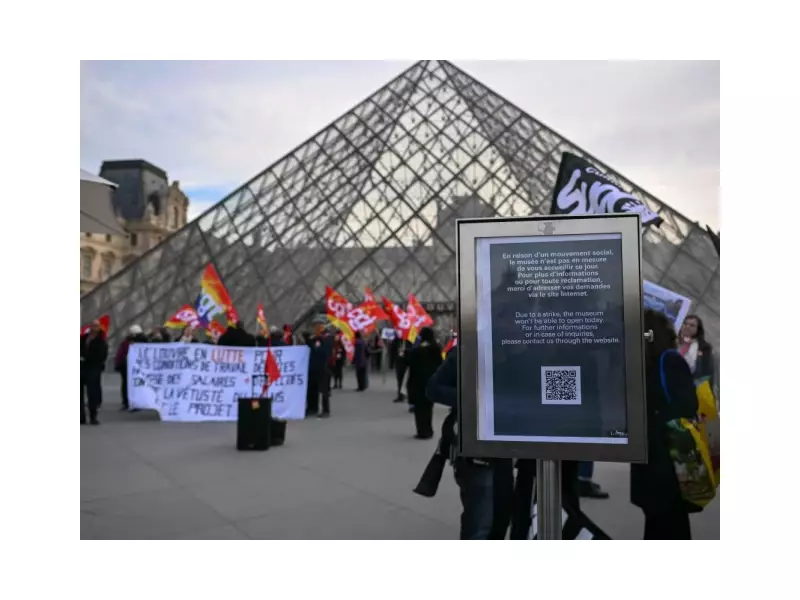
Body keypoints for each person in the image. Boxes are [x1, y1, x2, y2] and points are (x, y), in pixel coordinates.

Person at [426, 347, 514, 539]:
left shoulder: (520, 349)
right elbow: (433, 388)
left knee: (501, 517)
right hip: (477, 450)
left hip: (507, 448)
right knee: (480, 523)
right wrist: (472, 397)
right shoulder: (468, 349)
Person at [631, 309, 699, 540]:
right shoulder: (647, 362)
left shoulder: (666, 361)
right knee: (662, 520)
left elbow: (687, 404)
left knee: (666, 521)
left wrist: (653, 421)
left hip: (665, 456)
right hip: (656, 456)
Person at [406, 327, 443, 439]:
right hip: (431, 382)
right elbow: (440, 365)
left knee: (419, 409)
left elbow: (410, 364)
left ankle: (422, 430)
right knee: (428, 407)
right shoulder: (436, 348)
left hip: (418, 383)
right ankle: (428, 429)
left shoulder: (417, 350)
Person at [81, 321, 109, 425]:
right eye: (92, 326)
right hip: (81, 368)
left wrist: (86, 358)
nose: (94, 328)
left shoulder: (101, 341)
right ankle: (81, 416)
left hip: (93, 368)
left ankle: (93, 416)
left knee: (92, 393)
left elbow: (102, 355)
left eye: (96, 326)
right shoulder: (83, 338)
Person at [114, 324, 147, 411]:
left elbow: (120, 354)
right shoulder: (141, 341)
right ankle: (132, 402)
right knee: (133, 385)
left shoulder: (127, 342)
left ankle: (127, 402)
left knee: (126, 384)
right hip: (131, 366)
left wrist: (118, 364)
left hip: (127, 366)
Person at [678, 314, 714, 383]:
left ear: (698, 329)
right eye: (685, 324)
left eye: (692, 325)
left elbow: (704, 373)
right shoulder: (672, 340)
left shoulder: (704, 347)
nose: (687, 327)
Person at [307, 324, 334, 418]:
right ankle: (312, 408)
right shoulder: (316, 339)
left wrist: (319, 340)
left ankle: (326, 410)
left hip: (323, 368)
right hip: (313, 367)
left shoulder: (328, 339)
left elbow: (323, 351)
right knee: (312, 389)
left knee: (323, 390)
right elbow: (311, 348)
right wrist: (311, 340)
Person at [393, 337, 412, 403]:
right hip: (400, 361)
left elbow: (414, 348)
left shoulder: (411, 337)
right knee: (400, 378)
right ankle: (400, 395)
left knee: (409, 380)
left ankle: (409, 395)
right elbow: (393, 348)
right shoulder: (397, 339)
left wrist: (406, 350)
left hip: (409, 360)